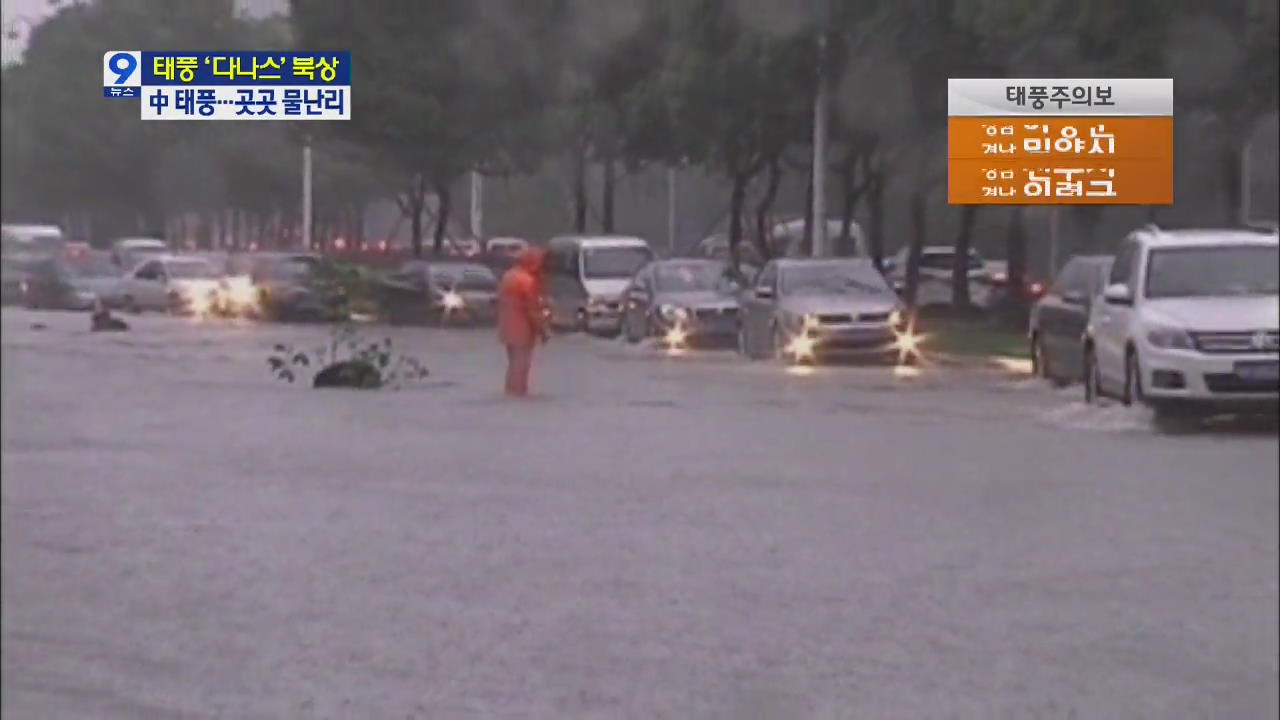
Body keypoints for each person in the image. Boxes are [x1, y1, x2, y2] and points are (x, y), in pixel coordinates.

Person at [497, 247, 548, 396]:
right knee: (521, 366)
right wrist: (543, 330)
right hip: (522, 331)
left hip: (506, 329)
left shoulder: (508, 276)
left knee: (513, 365)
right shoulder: (527, 281)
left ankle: (510, 393)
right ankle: (518, 395)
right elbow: (533, 311)